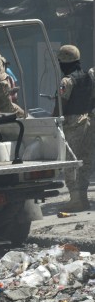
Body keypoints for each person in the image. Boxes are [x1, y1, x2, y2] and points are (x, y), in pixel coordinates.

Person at [53, 45, 95, 212]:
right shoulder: (89, 77)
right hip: (90, 122)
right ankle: (83, 198)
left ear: (64, 62)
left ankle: (75, 199)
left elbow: (60, 107)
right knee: (85, 160)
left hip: (73, 123)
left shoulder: (66, 81)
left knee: (70, 162)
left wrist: (51, 121)